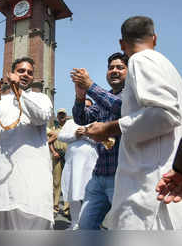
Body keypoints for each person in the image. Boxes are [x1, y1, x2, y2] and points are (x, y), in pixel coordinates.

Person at [85, 16, 182, 229]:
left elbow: (164, 114)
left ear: (121, 44)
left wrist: (109, 128)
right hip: (166, 187)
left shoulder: (141, 60)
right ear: (155, 38)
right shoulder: (167, 67)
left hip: (153, 194)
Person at [0, 57, 53, 230]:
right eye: (21, 71)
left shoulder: (41, 98)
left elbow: (41, 117)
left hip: (32, 179)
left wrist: (19, 92)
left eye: (30, 73)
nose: (25, 75)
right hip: (1, 178)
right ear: (10, 74)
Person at [70, 52, 127, 230]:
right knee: (86, 226)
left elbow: (120, 107)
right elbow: (81, 118)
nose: (114, 71)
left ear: (130, 71)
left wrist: (91, 86)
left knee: (122, 227)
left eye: (120, 67)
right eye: (111, 68)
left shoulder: (132, 95)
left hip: (121, 176)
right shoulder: (104, 97)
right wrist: (80, 96)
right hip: (99, 175)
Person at [58, 98, 98, 230]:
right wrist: (75, 135)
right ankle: (75, 222)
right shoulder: (71, 122)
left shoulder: (96, 122)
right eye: (84, 106)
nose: (86, 109)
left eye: (89, 107)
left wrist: (86, 134)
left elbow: (102, 140)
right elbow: (61, 136)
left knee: (89, 193)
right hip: (73, 163)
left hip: (90, 163)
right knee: (73, 192)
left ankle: (87, 223)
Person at [47, 109, 69, 217]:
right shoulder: (53, 129)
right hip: (57, 157)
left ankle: (67, 209)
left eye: (63, 115)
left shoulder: (70, 128)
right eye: (60, 115)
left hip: (68, 157)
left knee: (68, 183)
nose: (61, 117)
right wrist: (53, 152)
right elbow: (49, 142)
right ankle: (55, 208)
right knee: (56, 183)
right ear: (57, 116)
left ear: (66, 116)